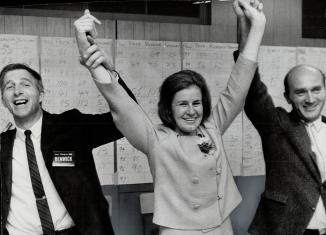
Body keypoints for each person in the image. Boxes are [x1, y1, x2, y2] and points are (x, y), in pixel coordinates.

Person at [75, 0, 265, 234]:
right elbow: (120, 103)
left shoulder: (212, 127)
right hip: (178, 230)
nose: (192, 110)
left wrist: (257, 27)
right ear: (169, 108)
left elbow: (239, 86)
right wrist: (88, 51)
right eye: (182, 104)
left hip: (221, 225)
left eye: (196, 103)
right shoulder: (156, 138)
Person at [0, 15, 136, 235]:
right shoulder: (2, 145)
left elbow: (126, 120)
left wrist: (103, 68)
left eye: (25, 84)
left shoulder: (71, 126)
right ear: (4, 100)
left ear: (41, 93)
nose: (17, 91)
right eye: (9, 87)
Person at [235, 2, 326, 235]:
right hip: (283, 230)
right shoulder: (277, 125)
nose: (310, 98)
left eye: (316, 89)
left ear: (325, 91)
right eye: (300, 92)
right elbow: (251, 87)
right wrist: (247, 26)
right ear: (287, 97)